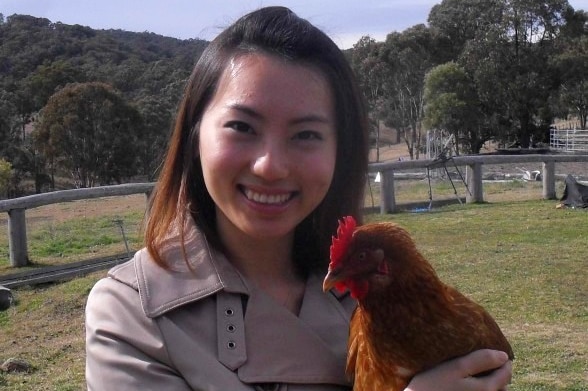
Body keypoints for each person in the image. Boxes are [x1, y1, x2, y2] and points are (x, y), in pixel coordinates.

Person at [85, 6, 512, 391]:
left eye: (306, 134)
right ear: (197, 133)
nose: (270, 166)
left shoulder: (375, 294)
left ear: (338, 150)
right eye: (242, 127)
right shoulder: (132, 314)